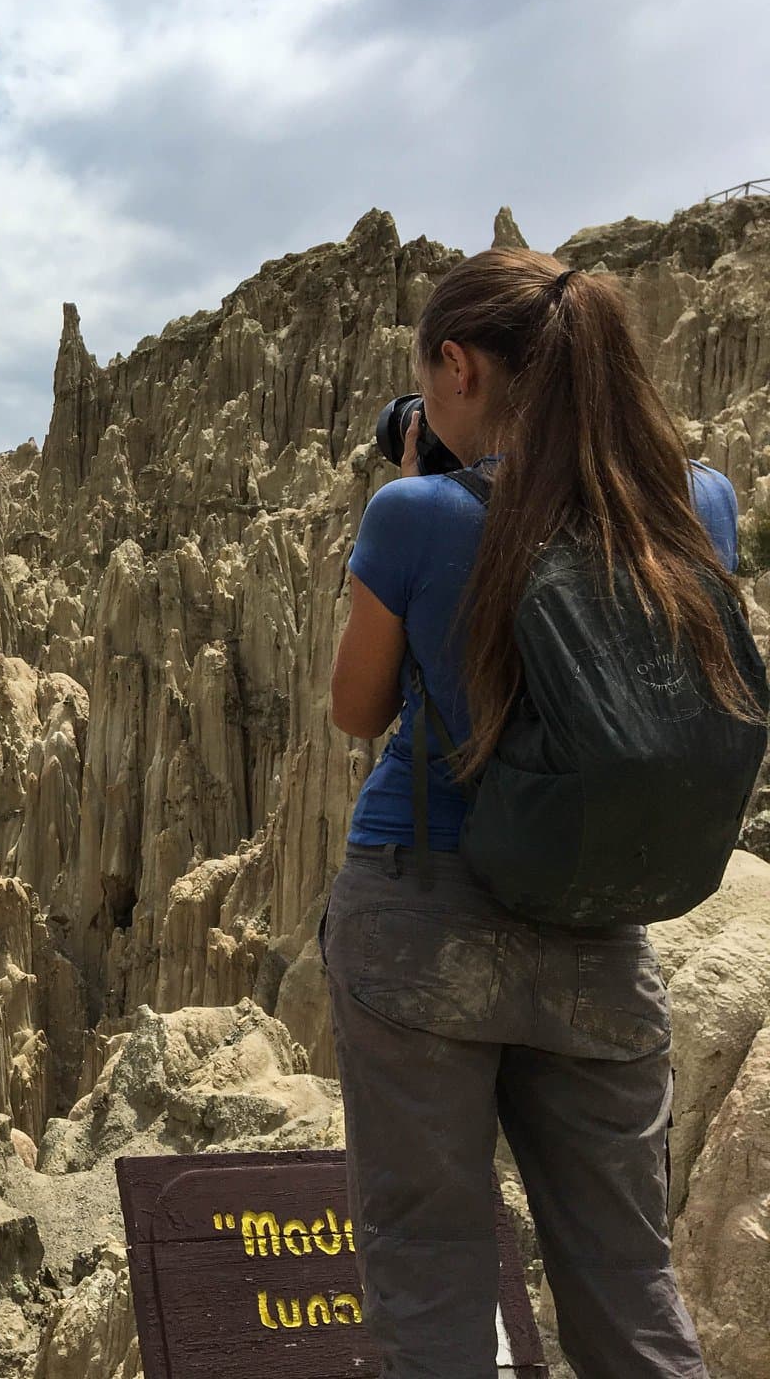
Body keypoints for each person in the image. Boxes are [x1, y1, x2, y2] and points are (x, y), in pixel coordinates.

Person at [325, 248, 764, 1377]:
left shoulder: (415, 512)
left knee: (431, 1270)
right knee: (627, 1278)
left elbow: (356, 709)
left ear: (458, 366)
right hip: (598, 919)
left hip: (421, 908)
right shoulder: (697, 501)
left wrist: (427, 488)